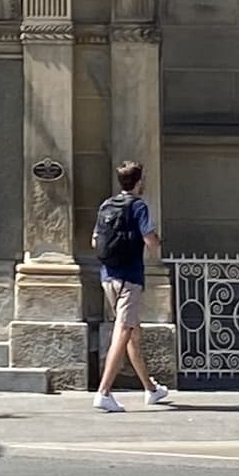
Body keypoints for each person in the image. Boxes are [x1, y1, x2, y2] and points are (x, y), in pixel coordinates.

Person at [91, 158, 171, 413]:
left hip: (108, 276)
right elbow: (150, 240)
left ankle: (151, 389)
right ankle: (104, 392)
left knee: (132, 333)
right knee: (123, 331)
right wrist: (158, 243)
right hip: (130, 277)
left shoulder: (106, 204)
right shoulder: (139, 206)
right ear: (138, 182)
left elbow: (95, 240)